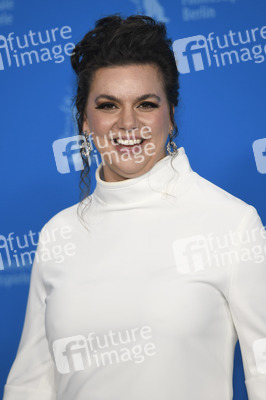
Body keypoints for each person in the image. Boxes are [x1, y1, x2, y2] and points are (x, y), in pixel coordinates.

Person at [3, 14, 266, 400]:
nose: (128, 124)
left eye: (145, 104)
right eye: (108, 105)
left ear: (170, 116)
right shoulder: (58, 234)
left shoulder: (232, 223)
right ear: (85, 121)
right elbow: (31, 384)